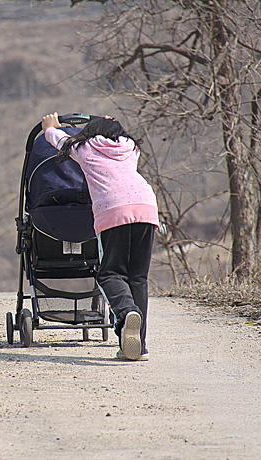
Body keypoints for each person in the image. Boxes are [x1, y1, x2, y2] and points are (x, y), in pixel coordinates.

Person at [40, 112, 159, 361]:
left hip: (114, 210)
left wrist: (50, 127)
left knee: (110, 274)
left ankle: (127, 313)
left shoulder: (85, 147)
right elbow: (118, 133)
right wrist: (112, 124)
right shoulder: (130, 147)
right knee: (137, 278)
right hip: (146, 207)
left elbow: (60, 141)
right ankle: (138, 347)